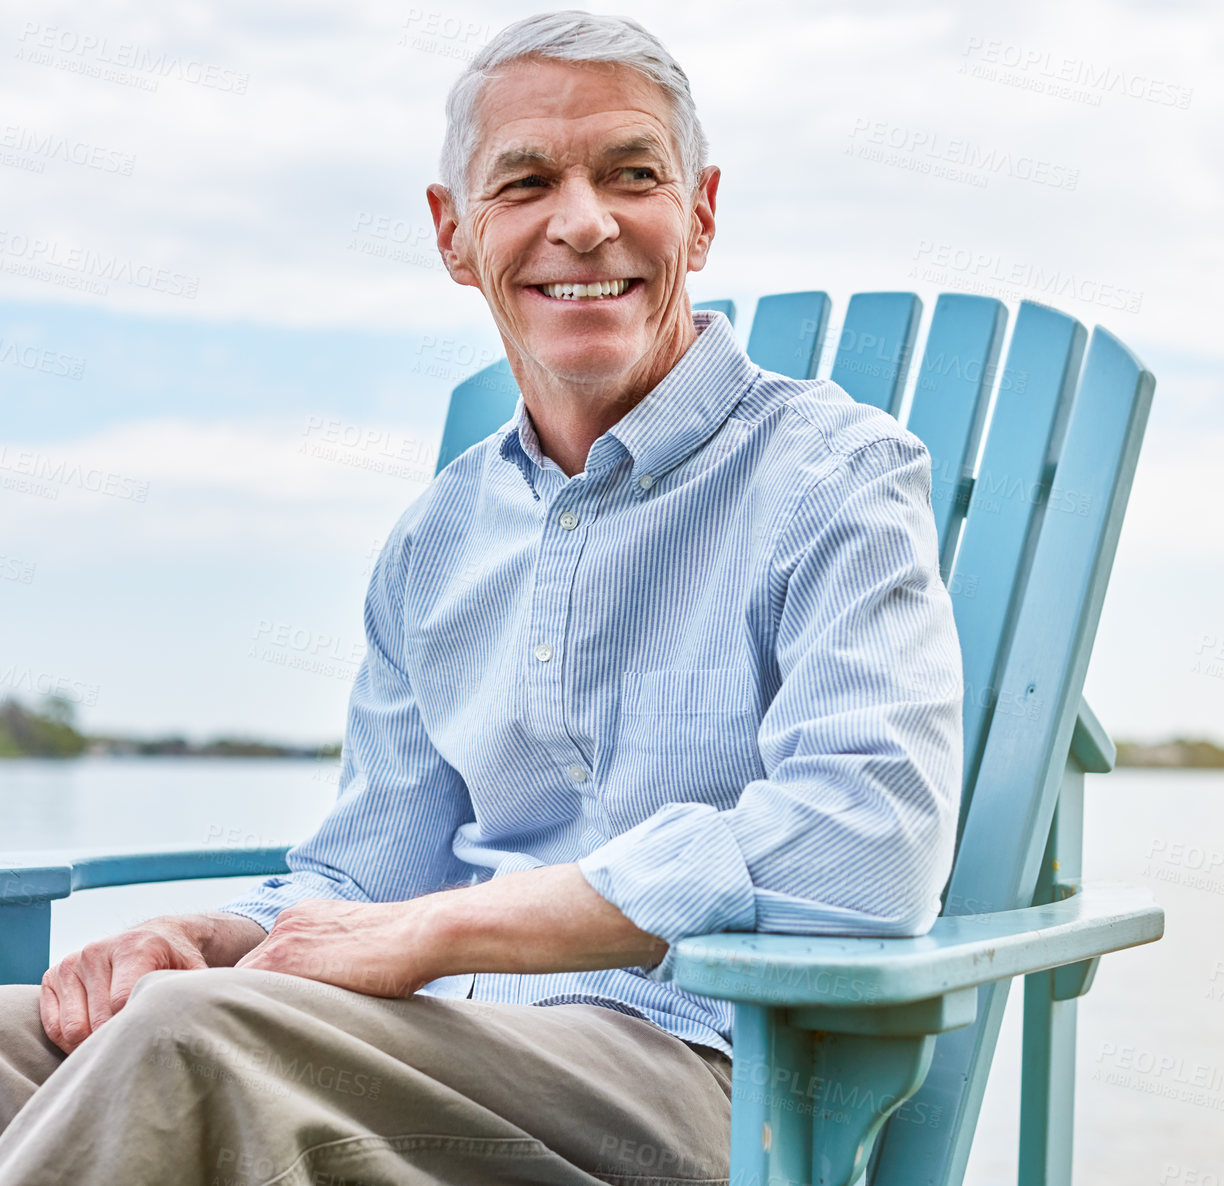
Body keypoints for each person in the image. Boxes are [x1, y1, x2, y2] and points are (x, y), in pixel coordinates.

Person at [0, 10, 964, 1183]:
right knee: (45, 1030)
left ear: (700, 212)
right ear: (456, 234)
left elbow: (870, 837)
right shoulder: (439, 539)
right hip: (438, 1044)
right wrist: (217, 936)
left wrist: (437, 930)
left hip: (706, 1072)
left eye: (632, 174)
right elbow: (366, 870)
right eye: (525, 182)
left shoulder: (833, 478)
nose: (583, 221)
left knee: (181, 1038)